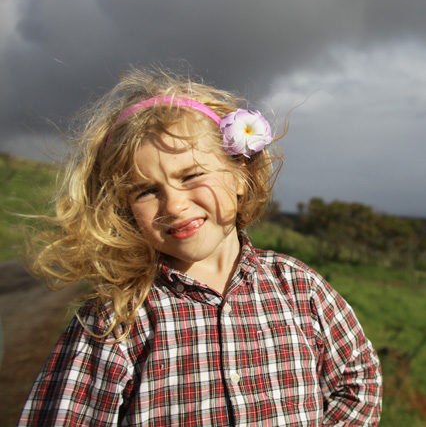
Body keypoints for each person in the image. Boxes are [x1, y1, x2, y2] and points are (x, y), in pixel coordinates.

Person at [18, 68, 382, 426]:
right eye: (146, 191)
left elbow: (358, 380)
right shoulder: (116, 321)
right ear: (125, 209)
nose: (174, 206)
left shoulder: (300, 289)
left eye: (191, 176)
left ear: (240, 174)